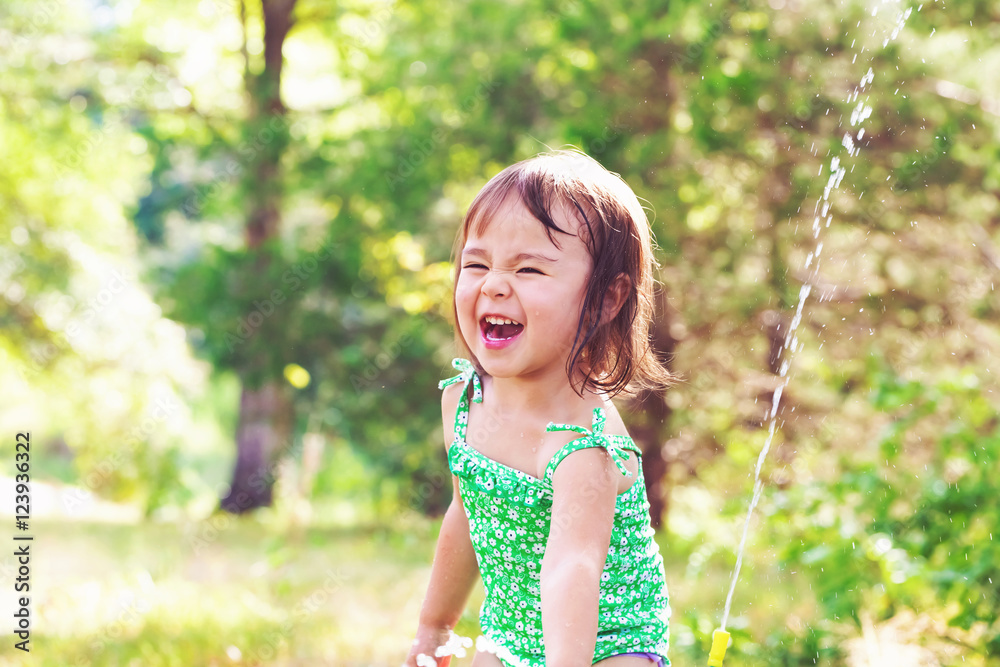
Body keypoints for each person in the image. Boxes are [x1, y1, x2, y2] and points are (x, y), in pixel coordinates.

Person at [405, 150, 675, 667]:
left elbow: (572, 568)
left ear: (605, 300)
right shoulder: (463, 402)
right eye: (476, 263)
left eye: (529, 268)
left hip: (606, 645)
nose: (495, 283)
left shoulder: (582, 446)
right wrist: (434, 626)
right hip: (509, 634)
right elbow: (466, 514)